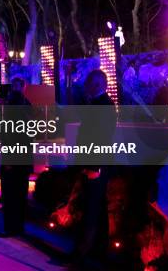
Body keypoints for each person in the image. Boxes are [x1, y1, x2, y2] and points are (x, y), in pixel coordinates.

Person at [70, 70, 116, 261]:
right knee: (97, 207)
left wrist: (94, 167)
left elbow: (101, 138)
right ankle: (98, 249)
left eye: (88, 82)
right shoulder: (100, 104)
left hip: (97, 165)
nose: (85, 85)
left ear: (97, 84)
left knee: (91, 208)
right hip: (94, 164)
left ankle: (83, 252)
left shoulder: (104, 105)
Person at [0, 77, 32, 238]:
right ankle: (18, 227)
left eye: (17, 85)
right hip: (23, 157)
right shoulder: (27, 106)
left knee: (11, 194)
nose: (14, 88)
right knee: (19, 194)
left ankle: (11, 228)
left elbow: (10, 135)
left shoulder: (12, 106)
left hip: (14, 157)